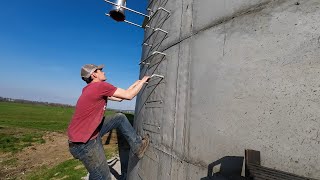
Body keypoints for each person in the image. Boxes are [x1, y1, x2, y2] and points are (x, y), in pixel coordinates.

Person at [67, 64, 150, 180]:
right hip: (84, 143)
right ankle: (138, 147)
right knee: (102, 177)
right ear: (94, 74)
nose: (103, 72)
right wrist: (145, 80)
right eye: (100, 70)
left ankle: (137, 146)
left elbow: (121, 97)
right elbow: (129, 95)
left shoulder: (92, 89)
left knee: (119, 118)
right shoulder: (100, 87)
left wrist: (137, 83)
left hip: (86, 136)